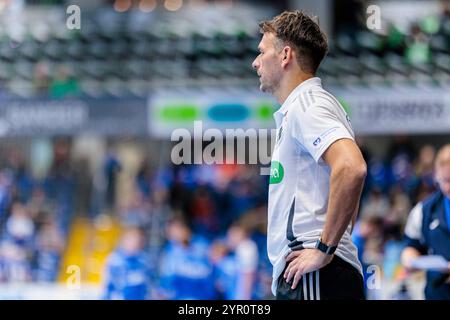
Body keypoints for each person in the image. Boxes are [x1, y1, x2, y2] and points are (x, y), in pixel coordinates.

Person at [252, 11, 367, 300]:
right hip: (316, 271)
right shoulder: (303, 108)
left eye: (262, 52)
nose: (255, 62)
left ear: (285, 55)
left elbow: (352, 168)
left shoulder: (307, 103)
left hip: (313, 272)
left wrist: (325, 248)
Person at [401, 144, 450, 300]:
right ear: (437, 177)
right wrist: (409, 259)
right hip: (437, 293)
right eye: (446, 180)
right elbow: (412, 246)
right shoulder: (423, 211)